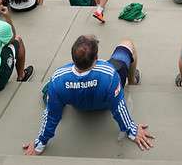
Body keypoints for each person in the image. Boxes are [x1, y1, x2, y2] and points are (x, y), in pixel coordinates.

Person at [23, 35, 153, 155]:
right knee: (127, 44)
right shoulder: (110, 74)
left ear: (73, 58)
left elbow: (51, 115)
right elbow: (119, 108)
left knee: (49, 89)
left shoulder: (58, 78)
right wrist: (132, 130)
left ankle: (56, 97)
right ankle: (132, 81)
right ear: (96, 58)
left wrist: (40, 143)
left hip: (78, 104)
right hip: (103, 101)